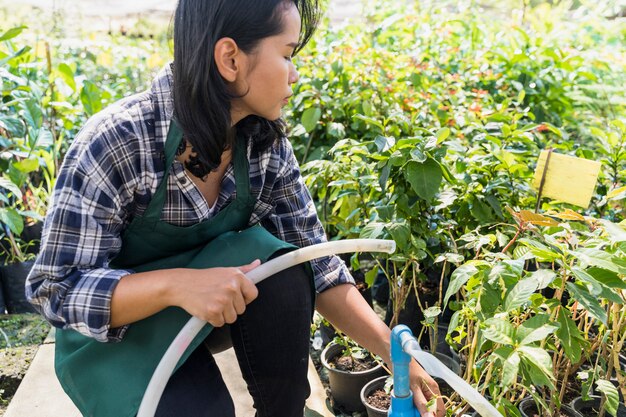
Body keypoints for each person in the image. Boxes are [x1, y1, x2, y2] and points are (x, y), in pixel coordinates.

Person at [26, 1, 444, 416]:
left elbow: (317, 264)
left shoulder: (262, 146)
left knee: (284, 268)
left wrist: (396, 355)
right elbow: (56, 288)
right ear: (230, 59)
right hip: (114, 343)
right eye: (287, 54)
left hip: (208, 321)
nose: (295, 74)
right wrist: (177, 285)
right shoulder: (118, 142)